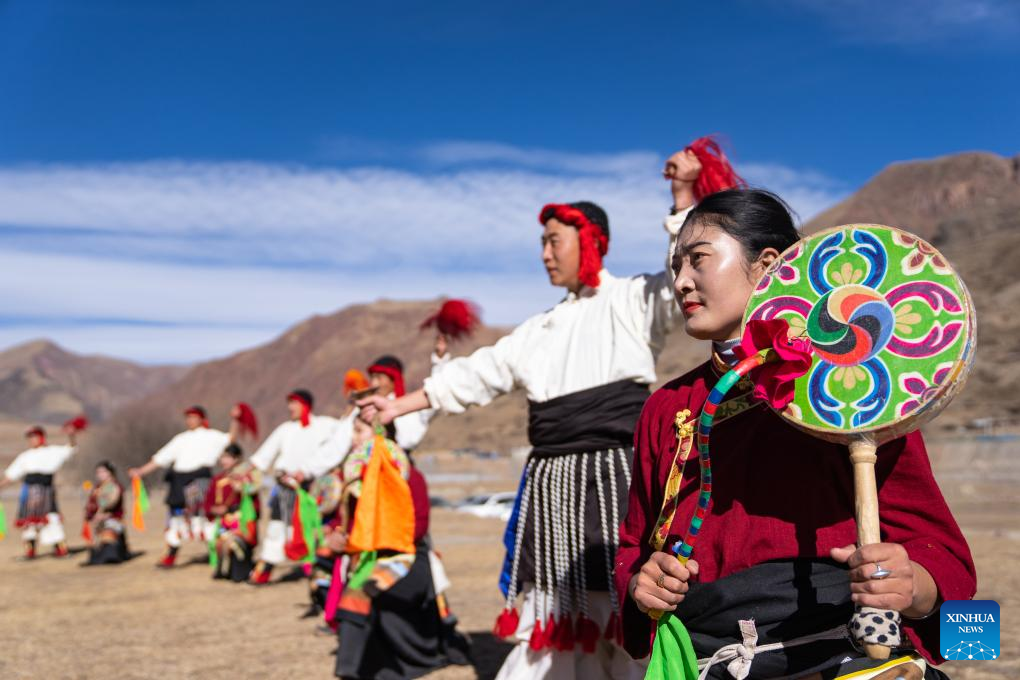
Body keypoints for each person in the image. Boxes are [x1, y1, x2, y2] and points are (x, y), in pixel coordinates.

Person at [359, 141, 737, 679]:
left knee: (623, 605)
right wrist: (398, 403)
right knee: (558, 611)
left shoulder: (633, 301)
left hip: (615, 479)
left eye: (552, 241)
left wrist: (681, 192)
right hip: (551, 489)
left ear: (589, 242)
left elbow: (681, 272)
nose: (543, 253)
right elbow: (474, 375)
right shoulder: (537, 330)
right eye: (541, 242)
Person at [615, 189, 976, 679]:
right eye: (675, 266)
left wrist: (913, 587)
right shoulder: (667, 407)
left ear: (766, 266)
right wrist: (644, 586)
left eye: (698, 260)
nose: (680, 281)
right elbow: (634, 547)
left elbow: (946, 562)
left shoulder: (854, 385)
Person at [331, 419, 470, 679]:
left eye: (359, 431)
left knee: (360, 591)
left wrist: (370, 538)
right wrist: (339, 539)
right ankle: (356, 667)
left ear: (381, 437)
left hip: (407, 558)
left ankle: (351, 671)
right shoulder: (355, 482)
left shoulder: (410, 478)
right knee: (357, 589)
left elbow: (416, 528)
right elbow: (346, 524)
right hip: (369, 560)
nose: (353, 439)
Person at [247, 389, 352, 584]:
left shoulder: (324, 425)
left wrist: (350, 412)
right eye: (289, 403)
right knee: (276, 527)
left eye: (294, 403)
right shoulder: (285, 429)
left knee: (311, 528)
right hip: (284, 488)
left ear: (306, 404)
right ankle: (265, 568)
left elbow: (344, 433)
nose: (290, 408)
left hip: (310, 488)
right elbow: (266, 453)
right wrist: (248, 470)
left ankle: (314, 567)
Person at [129, 405, 249, 568]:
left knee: (202, 518)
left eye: (193, 416)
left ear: (202, 419)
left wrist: (235, 419)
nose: (190, 420)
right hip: (178, 483)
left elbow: (231, 439)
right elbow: (160, 459)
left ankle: (215, 550)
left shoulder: (211, 436)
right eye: (188, 417)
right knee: (175, 519)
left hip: (199, 481)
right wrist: (140, 472)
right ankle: (171, 553)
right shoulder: (181, 439)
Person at [0, 421, 85, 559]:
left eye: (34, 436)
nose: (32, 440)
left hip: (46, 492)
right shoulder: (25, 456)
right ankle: (30, 551)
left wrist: (71, 435)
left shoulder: (53, 452)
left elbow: (71, 448)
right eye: (30, 437)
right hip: (29, 493)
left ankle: (60, 549)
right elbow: (11, 476)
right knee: (29, 523)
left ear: (41, 437)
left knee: (52, 519)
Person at [205, 443, 262, 582]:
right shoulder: (218, 480)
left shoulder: (247, 476)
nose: (224, 461)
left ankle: (241, 571)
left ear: (236, 459)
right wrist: (215, 509)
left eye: (228, 457)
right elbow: (208, 502)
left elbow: (254, 495)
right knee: (219, 543)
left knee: (237, 546)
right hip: (224, 521)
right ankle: (221, 568)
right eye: (222, 457)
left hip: (241, 520)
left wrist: (243, 487)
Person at [83, 460, 131, 566]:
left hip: (112, 521)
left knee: (108, 534)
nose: (100, 475)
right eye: (98, 472)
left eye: (103, 472)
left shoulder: (114, 486)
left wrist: (104, 515)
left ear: (110, 472)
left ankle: (112, 554)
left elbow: (111, 504)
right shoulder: (98, 487)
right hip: (97, 522)